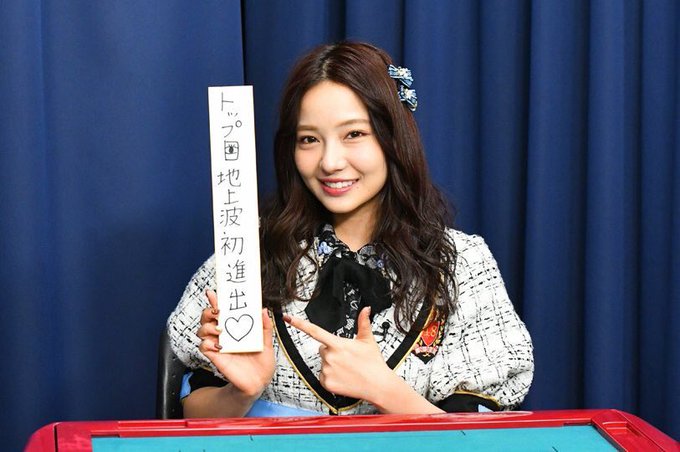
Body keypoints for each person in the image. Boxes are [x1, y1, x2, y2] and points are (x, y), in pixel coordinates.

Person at [167, 41, 534, 418]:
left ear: (394, 137)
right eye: (309, 139)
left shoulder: (461, 264)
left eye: (354, 134)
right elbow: (193, 416)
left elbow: (480, 436)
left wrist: (385, 390)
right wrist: (241, 393)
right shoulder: (248, 251)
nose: (329, 162)